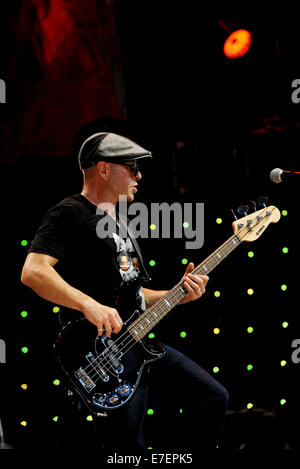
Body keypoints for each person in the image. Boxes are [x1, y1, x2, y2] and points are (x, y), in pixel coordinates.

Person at [21, 132, 228, 452]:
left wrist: (178, 294)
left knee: (213, 397)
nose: (139, 175)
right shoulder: (70, 211)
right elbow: (33, 271)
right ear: (103, 169)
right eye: (131, 167)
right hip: (101, 352)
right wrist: (89, 305)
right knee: (126, 445)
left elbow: (135, 297)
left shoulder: (118, 223)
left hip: (138, 343)